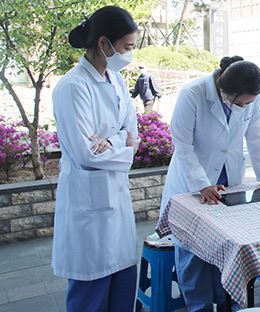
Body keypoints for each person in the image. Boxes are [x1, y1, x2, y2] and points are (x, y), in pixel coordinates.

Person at [160, 56, 260, 312]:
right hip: (192, 181)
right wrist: (202, 184)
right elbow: (183, 146)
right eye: (240, 102)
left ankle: (227, 303)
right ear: (224, 88)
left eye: (249, 102)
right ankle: (200, 307)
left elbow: (257, 139)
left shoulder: (253, 101)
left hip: (229, 182)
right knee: (194, 251)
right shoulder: (193, 94)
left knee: (226, 247)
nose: (245, 106)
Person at [52, 6, 140, 311]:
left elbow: (133, 131)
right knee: (91, 289)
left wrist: (114, 141)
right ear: (104, 44)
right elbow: (86, 154)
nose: (129, 54)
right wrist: (124, 145)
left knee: (123, 283)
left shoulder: (116, 81)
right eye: (127, 47)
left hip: (116, 198)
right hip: (88, 207)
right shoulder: (73, 88)